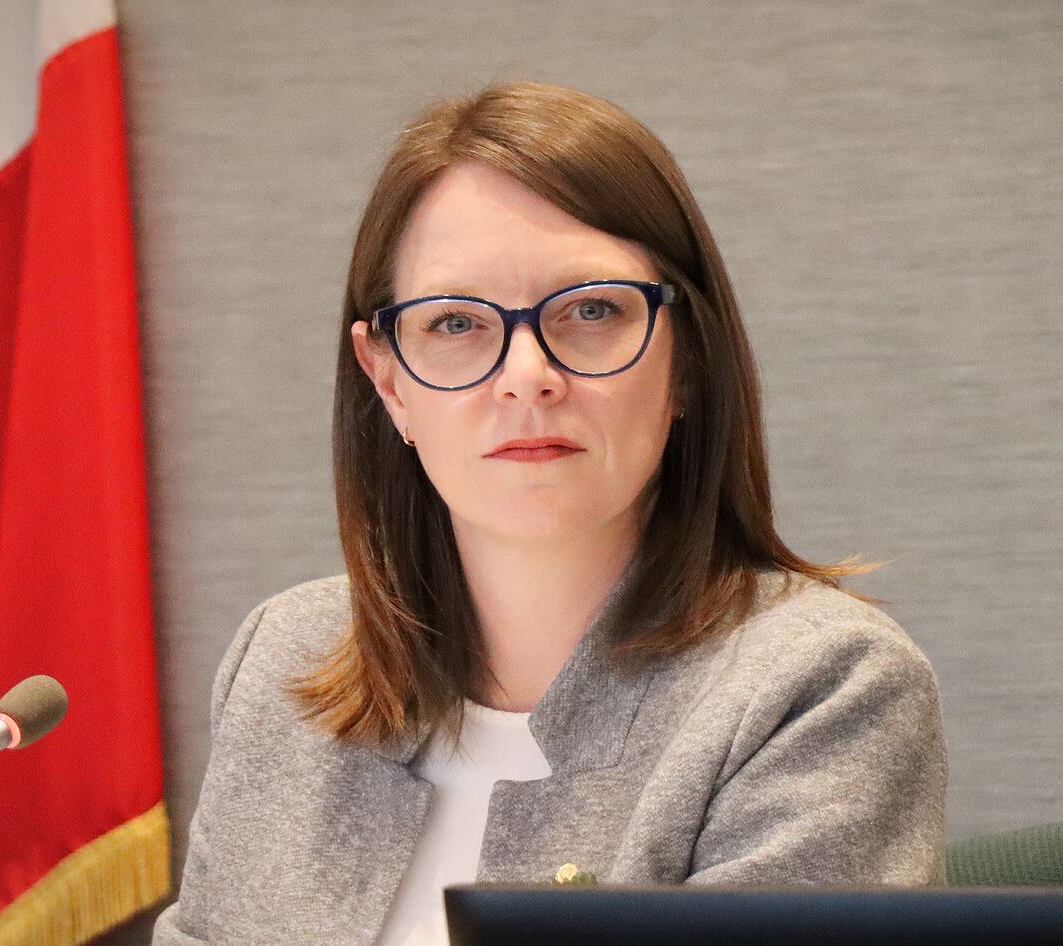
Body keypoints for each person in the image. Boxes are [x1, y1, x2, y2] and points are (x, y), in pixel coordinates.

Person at [153, 82, 946, 946]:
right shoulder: (285, 660)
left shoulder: (821, 686)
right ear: (388, 381)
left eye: (592, 310)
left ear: (686, 363)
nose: (527, 374)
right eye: (455, 322)